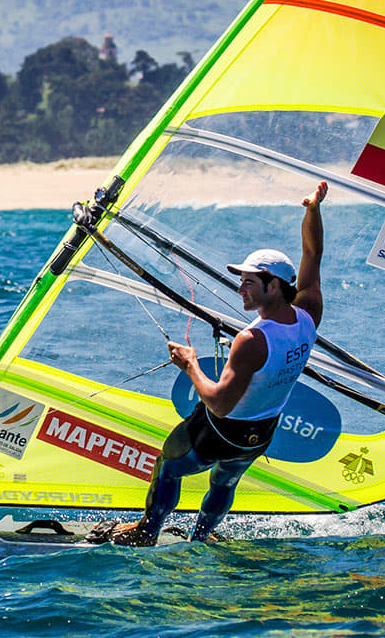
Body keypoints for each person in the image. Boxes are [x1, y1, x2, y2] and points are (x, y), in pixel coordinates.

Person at [112, 181, 328, 546]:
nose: (240, 289)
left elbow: (220, 403)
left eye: (248, 282)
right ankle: (202, 537)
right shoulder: (309, 313)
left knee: (168, 465)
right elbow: (313, 252)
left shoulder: (253, 340)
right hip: (261, 433)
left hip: (221, 430)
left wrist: (190, 364)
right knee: (225, 480)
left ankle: (147, 532)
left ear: (273, 286)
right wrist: (312, 210)